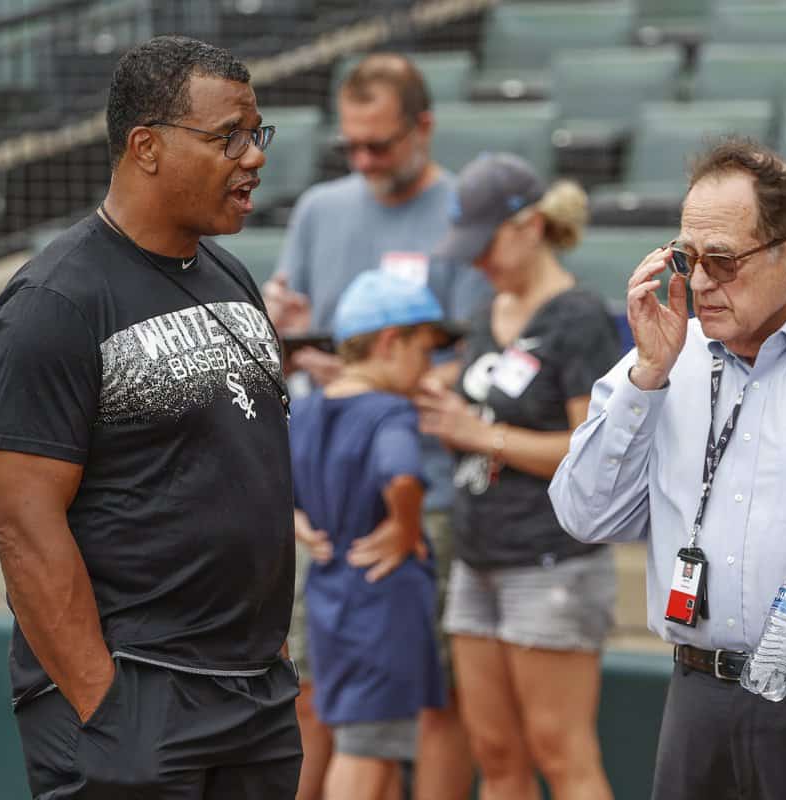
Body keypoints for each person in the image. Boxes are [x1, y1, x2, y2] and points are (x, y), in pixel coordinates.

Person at [0, 36, 300, 799]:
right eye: (229, 137)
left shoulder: (228, 274)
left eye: (259, 134)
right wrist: (107, 706)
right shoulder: (54, 304)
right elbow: (20, 526)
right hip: (137, 701)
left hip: (251, 693)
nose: (253, 157)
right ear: (145, 147)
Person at [549, 137, 786, 800]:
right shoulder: (665, 359)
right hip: (696, 697)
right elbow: (584, 515)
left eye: (723, 261)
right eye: (687, 259)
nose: (702, 282)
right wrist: (646, 375)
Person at [261, 52, 482, 800]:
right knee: (312, 686)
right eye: (350, 145)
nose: (362, 160)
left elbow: (473, 360)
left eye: (379, 144)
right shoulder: (322, 209)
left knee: (432, 699)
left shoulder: (460, 213)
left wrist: (370, 383)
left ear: (424, 128)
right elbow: (294, 341)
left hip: (425, 495)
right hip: (326, 501)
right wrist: (289, 341)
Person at [415, 152, 620, 800]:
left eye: (487, 244)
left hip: (551, 561)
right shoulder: (487, 314)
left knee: (562, 755)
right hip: (478, 558)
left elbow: (598, 451)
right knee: (496, 755)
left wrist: (481, 434)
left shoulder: (579, 316)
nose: (478, 262)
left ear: (530, 225)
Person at [290, 270, 458, 800]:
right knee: (365, 753)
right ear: (391, 342)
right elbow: (403, 475)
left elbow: (272, 485)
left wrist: (298, 522)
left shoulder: (310, 407)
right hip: (381, 606)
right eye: (424, 350)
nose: (429, 366)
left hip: (330, 594)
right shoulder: (390, 412)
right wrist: (406, 528)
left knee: (378, 752)